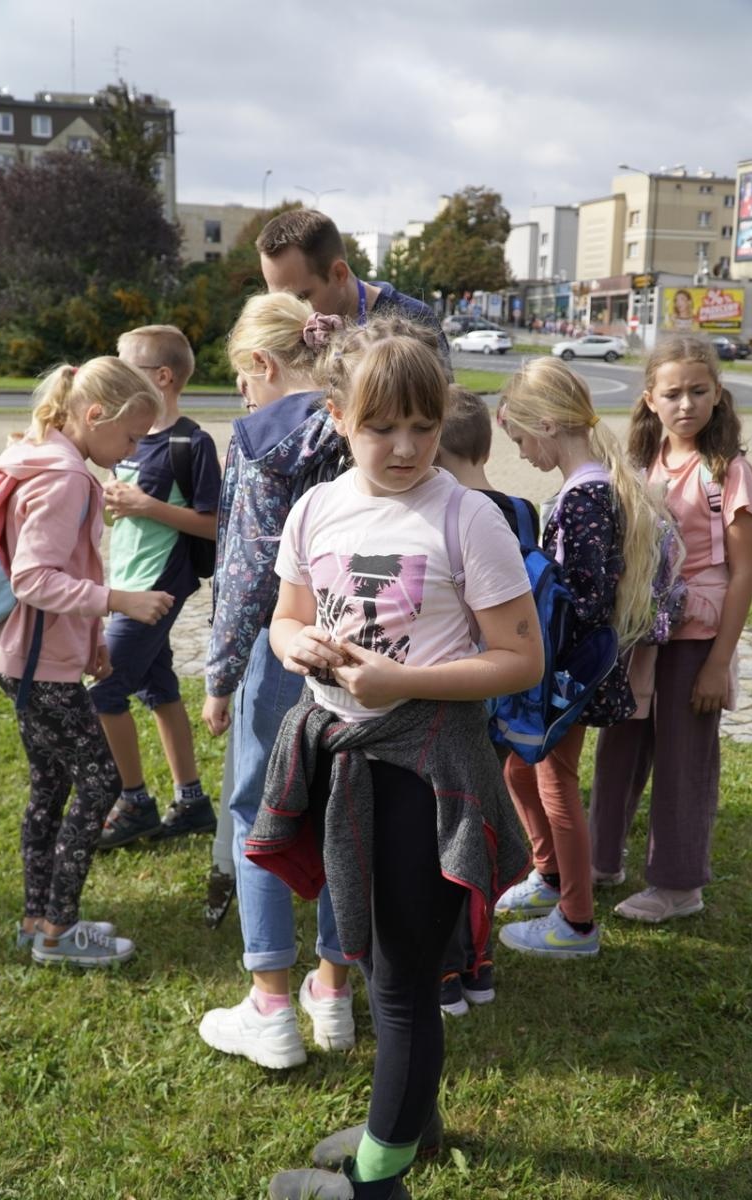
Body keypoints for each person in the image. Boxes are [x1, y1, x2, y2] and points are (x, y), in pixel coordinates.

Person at [244, 318, 541, 1200]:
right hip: (343, 759)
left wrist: (400, 681)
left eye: (423, 425)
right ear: (339, 417)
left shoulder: (467, 517)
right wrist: (298, 647)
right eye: (382, 428)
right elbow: (285, 616)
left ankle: (378, 1181)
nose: (407, 447)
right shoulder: (316, 509)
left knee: (403, 981)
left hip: (427, 768)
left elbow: (521, 658)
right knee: (378, 961)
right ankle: (413, 1126)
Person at [197, 293, 354, 1070]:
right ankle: (333, 989)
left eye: (243, 381)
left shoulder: (261, 440)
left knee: (258, 809)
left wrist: (220, 674)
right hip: (359, 648)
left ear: (263, 363)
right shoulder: (359, 415)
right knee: (341, 812)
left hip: (282, 645)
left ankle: (269, 1003)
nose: (243, 397)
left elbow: (247, 572)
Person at [0, 358, 174, 966]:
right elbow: (33, 578)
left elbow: (67, 569)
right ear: (95, 415)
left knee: (51, 784)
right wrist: (119, 601)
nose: (131, 452)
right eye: (130, 437)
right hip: (39, 666)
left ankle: (36, 919)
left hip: (27, 657)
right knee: (100, 782)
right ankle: (59, 930)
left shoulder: (36, 454)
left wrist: (90, 638)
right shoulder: (66, 478)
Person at [494, 357, 661, 958]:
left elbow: (584, 600)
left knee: (554, 780)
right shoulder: (586, 488)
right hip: (568, 664)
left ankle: (577, 921)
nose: (521, 454)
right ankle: (551, 874)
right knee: (522, 770)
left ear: (545, 425)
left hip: (568, 669)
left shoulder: (585, 497)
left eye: (520, 440)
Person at [589, 336, 752, 922]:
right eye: (673, 393)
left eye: (698, 391)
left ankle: (679, 884)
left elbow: (742, 573)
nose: (686, 403)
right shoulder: (641, 464)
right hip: (640, 636)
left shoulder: (729, 471)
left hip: (696, 640)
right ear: (650, 399)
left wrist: (718, 663)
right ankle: (600, 860)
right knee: (618, 747)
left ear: (717, 394)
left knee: (685, 759)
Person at [90, 326, 221, 848]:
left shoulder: (191, 443)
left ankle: (134, 803)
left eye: (127, 367)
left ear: (162, 377)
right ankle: (192, 802)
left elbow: (215, 524)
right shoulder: (128, 438)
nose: (117, 375)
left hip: (158, 588)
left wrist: (147, 505)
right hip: (126, 579)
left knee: (102, 691)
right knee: (159, 688)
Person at [435, 386, 539, 1015]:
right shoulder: (522, 509)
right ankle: (479, 963)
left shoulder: (453, 516)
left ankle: (446, 971)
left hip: (459, 695)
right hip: (509, 699)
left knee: (448, 837)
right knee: (485, 826)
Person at [256, 208, 452, 369]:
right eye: (278, 301)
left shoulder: (413, 322)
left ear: (339, 274)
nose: (288, 313)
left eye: (300, 298)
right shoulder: (293, 339)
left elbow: (444, 403)